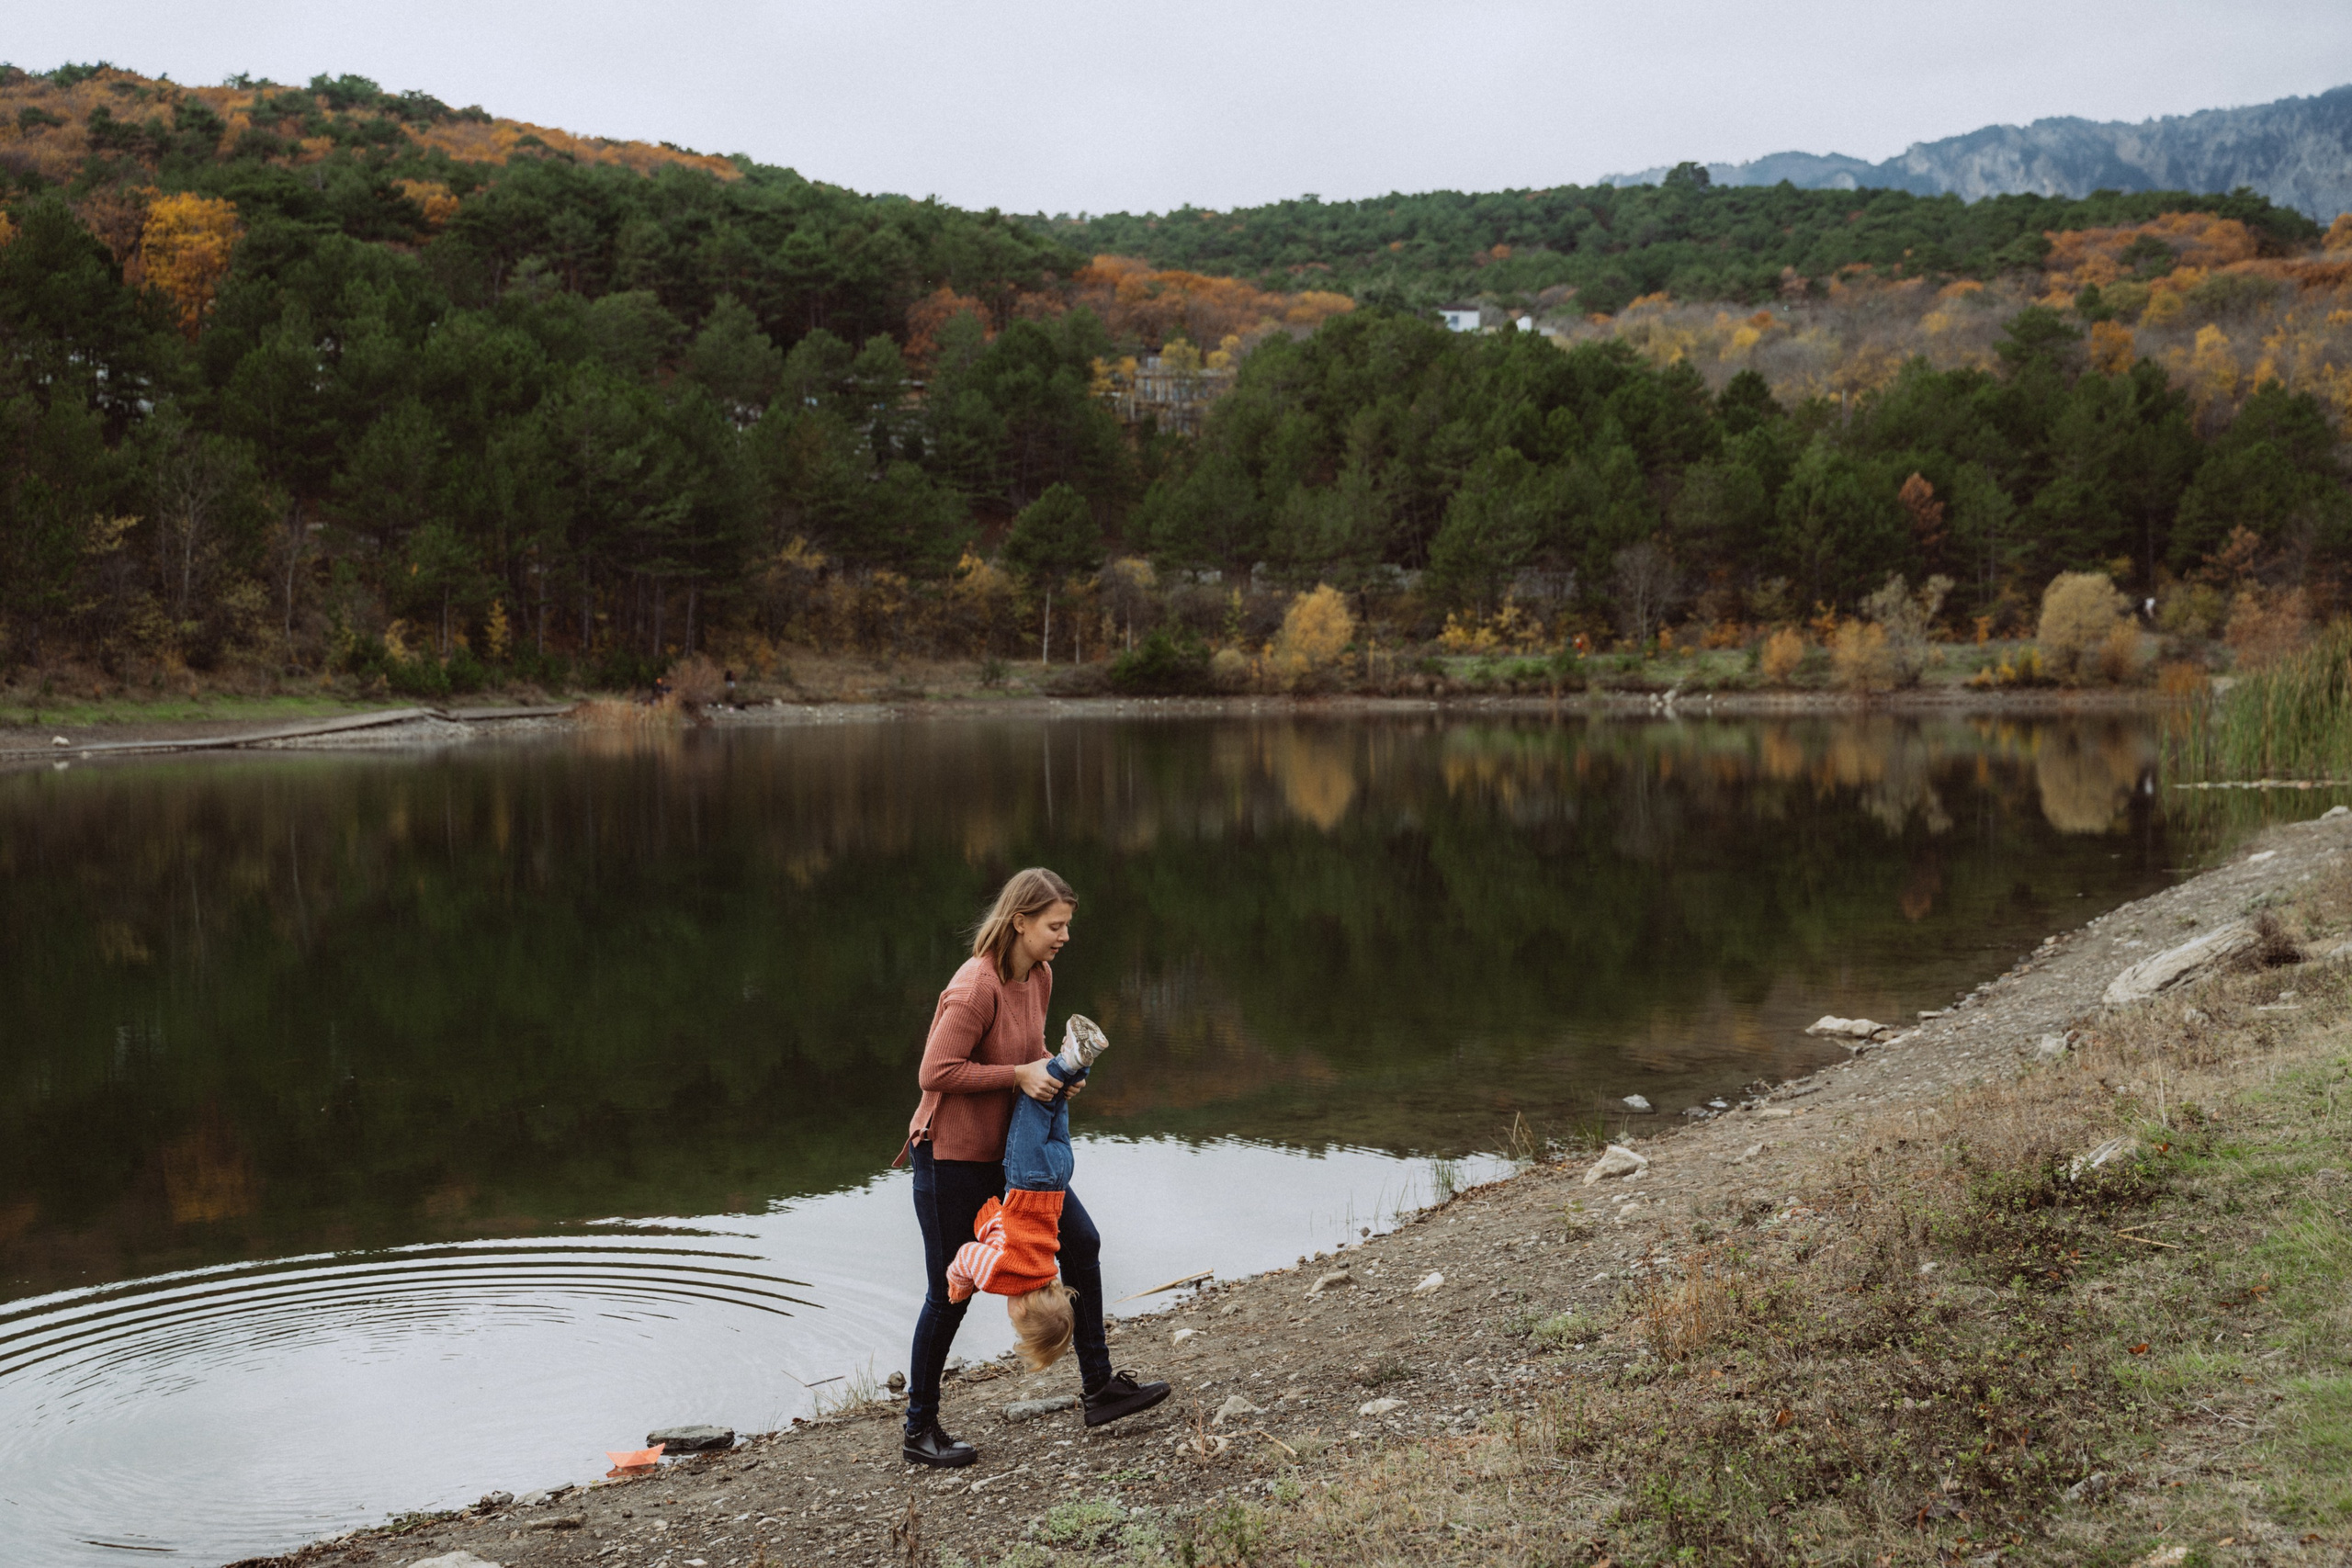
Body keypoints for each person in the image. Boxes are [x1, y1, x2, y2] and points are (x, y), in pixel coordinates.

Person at [898, 869, 1170, 1468]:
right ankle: (920, 1428)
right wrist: (1019, 1076)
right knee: (948, 1295)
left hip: (1011, 1158)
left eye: (1067, 924)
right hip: (950, 1156)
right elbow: (934, 1072)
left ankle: (1099, 1388)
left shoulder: (1039, 975)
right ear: (1020, 921)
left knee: (1082, 1241)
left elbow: (1028, 1051)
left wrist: (1054, 1072)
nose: (1064, 936)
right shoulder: (976, 986)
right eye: (1056, 925)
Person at [943, 1016, 1108, 1370]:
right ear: (1020, 1310)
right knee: (1034, 1100)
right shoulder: (998, 1276)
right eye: (1015, 1323)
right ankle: (1070, 1059)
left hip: (1059, 1175)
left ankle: (1078, 1065)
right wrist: (961, 1285)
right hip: (1028, 1179)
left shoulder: (1045, 1272)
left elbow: (1004, 1237)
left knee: (1054, 1102)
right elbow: (966, 1257)